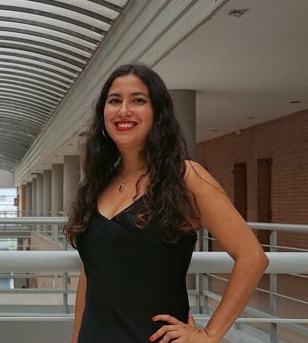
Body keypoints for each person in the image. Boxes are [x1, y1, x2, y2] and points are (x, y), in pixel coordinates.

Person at [64, 63, 268, 343]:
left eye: (138, 100)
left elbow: (252, 257)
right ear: (103, 114)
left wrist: (210, 334)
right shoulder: (95, 184)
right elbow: (92, 272)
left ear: (157, 112)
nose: (124, 110)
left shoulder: (186, 177)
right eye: (114, 101)